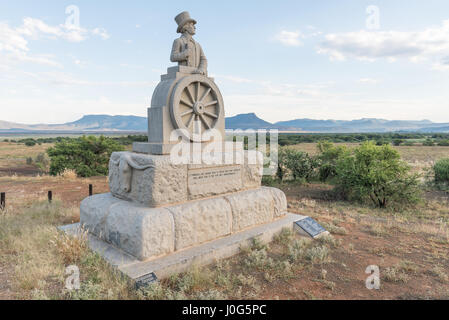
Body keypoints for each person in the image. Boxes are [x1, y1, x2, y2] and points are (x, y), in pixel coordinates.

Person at [170, 11, 208, 75]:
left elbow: (203, 59)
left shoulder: (197, 45)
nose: (195, 27)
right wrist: (184, 54)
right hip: (184, 72)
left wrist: (202, 69)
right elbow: (172, 57)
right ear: (186, 27)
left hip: (197, 72)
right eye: (192, 25)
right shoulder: (178, 41)